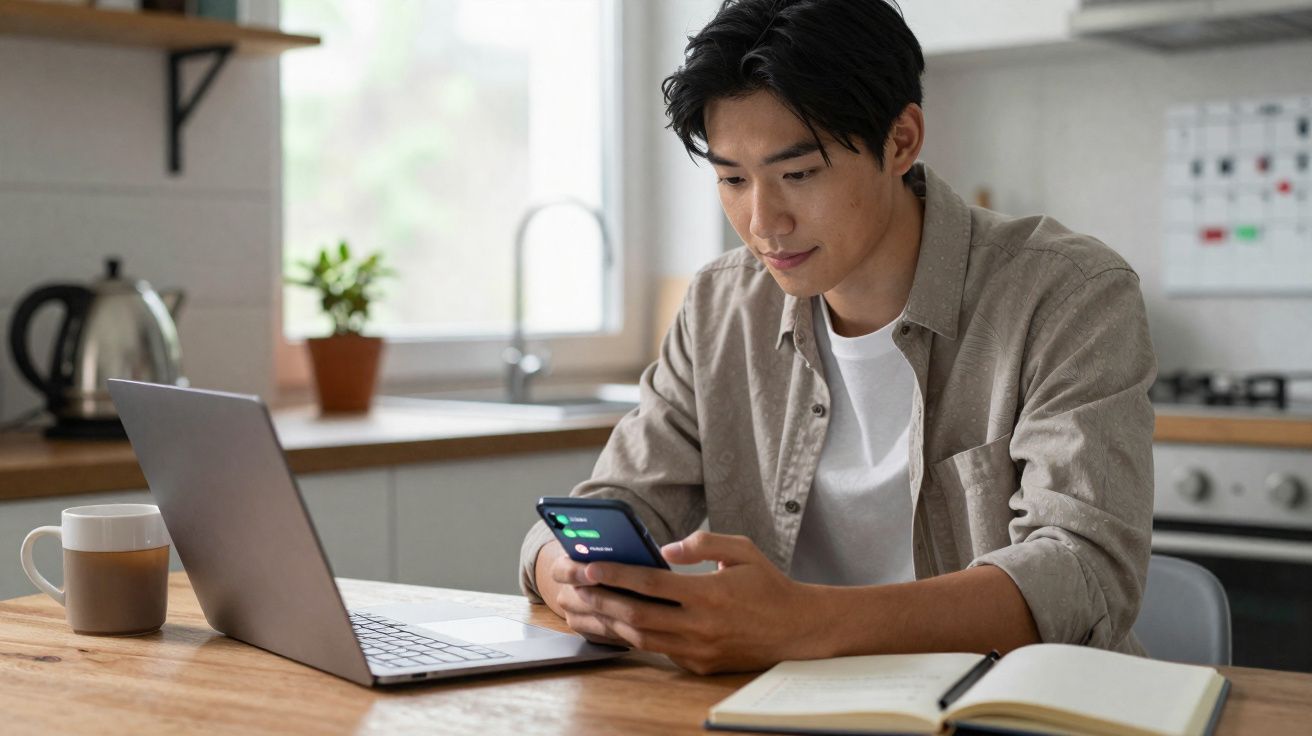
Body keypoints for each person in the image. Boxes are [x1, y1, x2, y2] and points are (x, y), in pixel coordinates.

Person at [518, 0, 1156, 675]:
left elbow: (1081, 570)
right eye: (732, 179)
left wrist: (797, 624)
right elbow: (615, 504)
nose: (763, 222)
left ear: (901, 140)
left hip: (1005, 702)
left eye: (798, 174)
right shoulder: (719, 306)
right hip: (773, 704)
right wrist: (565, 572)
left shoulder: (1069, 293)